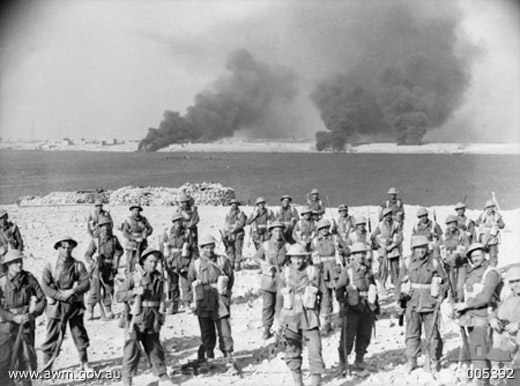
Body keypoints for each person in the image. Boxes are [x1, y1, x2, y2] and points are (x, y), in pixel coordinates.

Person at [116, 248, 175, 386]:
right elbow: (118, 296)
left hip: (152, 318)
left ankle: (162, 375)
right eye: (151, 261)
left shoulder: (159, 278)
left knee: (154, 348)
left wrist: (162, 312)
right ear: (143, 261)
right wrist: (133, 292)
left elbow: (162, 297)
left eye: (156, 262)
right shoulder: (134, 277)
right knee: (132, 350)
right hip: (136, 319)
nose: (154, 264)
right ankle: (127, 379)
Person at [274, 243, 328, 386]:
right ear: (289, 258)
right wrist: (277, 320)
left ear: (305, 258)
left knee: (315, 351)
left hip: (310, 317)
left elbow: (324, 294)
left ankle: (315, 383)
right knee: (292, 352)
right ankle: (298, 383)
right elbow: (279, 298)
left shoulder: (313, 272)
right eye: (294, 258)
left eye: (300, 258)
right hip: (290, 317)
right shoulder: (284, 274)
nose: (297, 261)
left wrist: (324, 314)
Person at [394, 235, 447, 374]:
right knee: (412, 333)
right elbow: (399, 282)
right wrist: (398, 300)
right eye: (418, 248)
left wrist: (442, 294)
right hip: (411, 303)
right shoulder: (407, 262)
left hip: (430, 303)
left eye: (423, 247)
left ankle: (434, 359)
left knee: (433, 334)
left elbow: (446, 281)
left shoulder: (434, 263)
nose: (421, 251)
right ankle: (412, 360)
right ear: (413, 249)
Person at [41, 236, 92, 371]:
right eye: (63, 247)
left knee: (79, 333)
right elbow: (45, 286)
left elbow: (86, 283)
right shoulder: (50, 265)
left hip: (74, 304)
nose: (67, 249)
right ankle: (47, 367)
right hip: (56, 306)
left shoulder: (78, 265)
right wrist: (60, 296)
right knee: (52, 336)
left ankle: (84, 363)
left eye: (70, 247)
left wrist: (73, 291)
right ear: (58, 248)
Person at [454, 243, 502, 386]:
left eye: (478, 255)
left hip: (483, 318)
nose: (475, 258)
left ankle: (482, 382)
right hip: (470, 318)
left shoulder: (490, 273)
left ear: (484, 254)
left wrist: (466, 304)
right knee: (475, 350)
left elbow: (485, 297)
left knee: (480, 352)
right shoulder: (471, 273)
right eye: (473, 256)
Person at [0, 250, 46, 386]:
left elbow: (42, 299)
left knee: (26, 359)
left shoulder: (29, 279)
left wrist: (32, 315)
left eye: (20, 261)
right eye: (15, 262)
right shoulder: (1, 282)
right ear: (8, 265)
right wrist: (13, 317)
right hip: (6, 328)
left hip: (26, 326)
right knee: (4, 361)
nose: (19, 264)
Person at [188, 235, 235, 363]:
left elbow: (230, 279)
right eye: (206, 248)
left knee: (224, 330)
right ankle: (209, 355)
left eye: (211, 247)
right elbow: (190, 280)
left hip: (220, 300)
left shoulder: (222, 261)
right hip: (203, 300)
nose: (209, 251)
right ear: (201, 248)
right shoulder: (196, 263)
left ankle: (228, 355)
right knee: (206, 330)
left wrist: (224, 293)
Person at [336, 243, 379, 375]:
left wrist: (376, 307)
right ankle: (343, 362)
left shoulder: (368, 269)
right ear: (353, 255)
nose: (361, 256)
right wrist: (342, 302)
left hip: (367, 307)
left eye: (363, 253)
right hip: (353, 308)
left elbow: (373, 287)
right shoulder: (348, 270)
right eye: (358, 253)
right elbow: (339, 289)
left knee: (364, 335)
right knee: (348, 337)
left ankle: (359, 359)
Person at [252, 221, 289, 340]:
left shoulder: (287, 245)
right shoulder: (266, 245)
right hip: (268, 277)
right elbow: (256, 257)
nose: (278, 233)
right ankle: (266, 328)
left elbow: (293, 259)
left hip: (282, 278)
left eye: (280, 230)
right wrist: (264, 264)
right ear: (271, 232)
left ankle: (278, 329)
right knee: (267, 304)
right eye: (275, 231)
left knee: (280, 304)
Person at [84, 216, 123, 320]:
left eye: (107, 226)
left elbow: (120, 250)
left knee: (108, 289)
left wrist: (116, 259)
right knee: (94, 290)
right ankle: (90, 310)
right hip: (97, 269)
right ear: (99, 227)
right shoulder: (96, 241)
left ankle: (108, 310)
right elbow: (87, 255)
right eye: (103, 227)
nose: (106, 229)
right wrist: (93, 262)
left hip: (109, 268)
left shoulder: (114, 240)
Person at [488, 266, 520, 384]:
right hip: (508, 343)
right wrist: (493, 319)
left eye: (518, 281)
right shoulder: (510, 297)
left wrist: (518, 325)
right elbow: (497, 311)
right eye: (512, 282)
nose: (515, 285)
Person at [310, 219, 341, 336]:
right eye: (322, 228)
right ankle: (326, 323)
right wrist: (317, 268)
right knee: (324, 297)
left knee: (339, 293)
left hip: (334, 269)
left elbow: (343, 250)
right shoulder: (315, 241)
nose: (324, 230)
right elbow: (313, 256)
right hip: (322, 270)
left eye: (326, 228)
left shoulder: (334, 239)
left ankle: (340, 319)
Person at [161, 213, 193, 313]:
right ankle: (173, 305)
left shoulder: (187, 232)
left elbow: (192, 246)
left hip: (184, 260)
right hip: (172, 261)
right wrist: (163, 261)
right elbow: (162, 247)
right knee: (172, 284)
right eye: (176, 221)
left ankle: (187, 304)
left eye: (180, 220)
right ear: (173, 222)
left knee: (186, 284)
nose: (178, 223)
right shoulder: (167, 233)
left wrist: (192, 261)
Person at [372, 207, 403, 288]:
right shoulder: (380, 225)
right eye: (386, 215)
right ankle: (382, 284)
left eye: (389, 214)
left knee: (395, 268)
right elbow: (373, 236)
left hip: (393, 248)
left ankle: (396, 285)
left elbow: (400, 237)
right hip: (383, 248)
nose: (388, 216)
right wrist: (378, 244)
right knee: (382, 268)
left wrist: (393, 245)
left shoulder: (396, 224)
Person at [441, 215, 469, 302]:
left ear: (456, 224)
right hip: (449, 264)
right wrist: (442, 258)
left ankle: (460, 302)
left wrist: (458, 255)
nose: (452, 226)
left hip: (460, 263)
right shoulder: (443, 235)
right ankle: (452, 303)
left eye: (453, 223)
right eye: (449, 224)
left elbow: (467, 248)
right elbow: (438, 247)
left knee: (460, 286)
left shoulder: (462, 234)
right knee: (451, 285)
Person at [121, 204, 153, 275]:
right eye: (135, 210)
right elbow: (125, 232)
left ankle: (143, 273)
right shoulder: (128, 220)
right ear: (132, 211)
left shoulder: (143, 219)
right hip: (132, 242)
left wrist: (146, 234)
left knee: (143, 257)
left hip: (142, 241)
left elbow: (150, 229)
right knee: (131, 258)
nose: (137, 212)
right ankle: (129, 272)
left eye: (138, 210)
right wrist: (133, 238)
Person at [476, 200, 505, 267]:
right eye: (489, 207)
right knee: (482, 253)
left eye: (492, 207)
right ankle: (483, 268)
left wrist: (498, 224)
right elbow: (477, 222)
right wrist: (479, 223)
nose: (490, 209)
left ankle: (493, 267)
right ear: (486, 208)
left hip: (493, 236)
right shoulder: (483, 215)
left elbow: (502, 224)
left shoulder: (497, 215)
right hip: (483, 236)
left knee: (493, 254)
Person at [223, 199, 247, 271]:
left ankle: (237, 264)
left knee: (238, 248)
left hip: (238, 234)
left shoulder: (240, 213)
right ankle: (231, 263)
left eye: (235, 204)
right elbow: (226, 223)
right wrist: (226, 232)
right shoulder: (228, 213)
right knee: (230, 248)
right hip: (229, 233)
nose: (234, 205)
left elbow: (242, 223)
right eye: (232, 204)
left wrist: (235, 228)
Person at [0, 208, 24, 275]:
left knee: (17, 274)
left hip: (13, 255)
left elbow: (20, 242)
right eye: (0, 218)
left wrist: (17, 253)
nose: (2, 220)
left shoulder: (13, 227)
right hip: (2, 258)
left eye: (3, 217)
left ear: (7, 216)